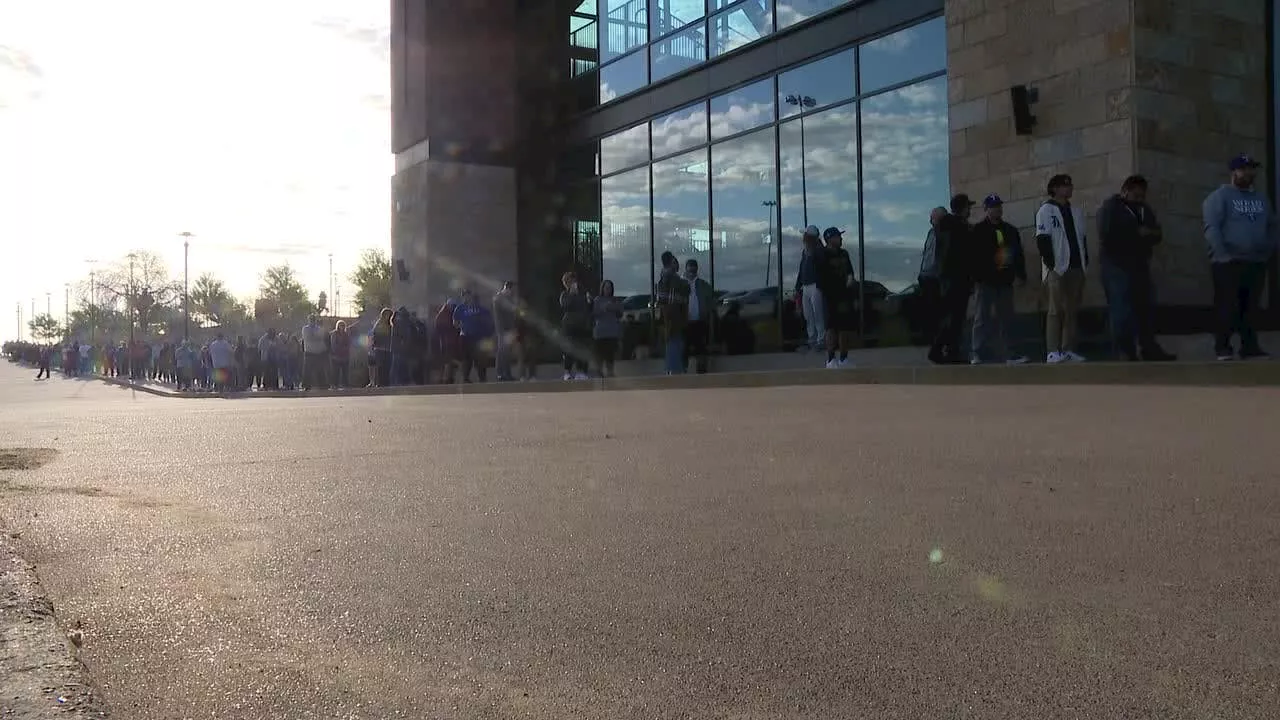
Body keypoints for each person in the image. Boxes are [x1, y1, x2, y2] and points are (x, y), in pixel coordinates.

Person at [1203, 154, 1276, 361]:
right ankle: (1223, 348)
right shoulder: (1219, 197)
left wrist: (1267, 249)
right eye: (1244, 169)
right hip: (1227, 262)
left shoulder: (1261, 200)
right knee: (1227, 305)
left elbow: (1272, 225)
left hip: (1255, 261)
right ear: (1234, 172)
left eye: (1252, 169)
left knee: (1251, 307)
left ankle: (1250, 347)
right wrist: (1223, 254)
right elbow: (1212, 228)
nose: (1249, 173)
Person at [1098, 175, 1176, 362]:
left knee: (1145, 306)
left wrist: (1146, 233)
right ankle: (1124, 350)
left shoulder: (1144, 210)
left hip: (1139, 264)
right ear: (1125, 191)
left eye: (1142, 196)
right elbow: (1106, 234)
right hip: (1117, 265)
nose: (1139, 200)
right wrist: (1137, 233)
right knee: (1121, 308)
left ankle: (1148, 347)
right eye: (1136, 196)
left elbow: (1157, 233)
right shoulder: (1111, 208)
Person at [969, 194, 1028, 365]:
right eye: (993, 207)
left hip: (1005, 280)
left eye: (999, 206)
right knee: (982, 318)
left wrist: (1021, 274)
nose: (997, 210)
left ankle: (1011, 353)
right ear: (986, 209)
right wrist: (976, 278)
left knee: (1008, 318)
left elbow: (1018, 255)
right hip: (985, 281)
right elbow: (972, 258)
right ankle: (978, 353)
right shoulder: (978, 230)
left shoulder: (1010, 230)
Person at [1036, 174, 1089, 363]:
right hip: (1057, 268)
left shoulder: (1076, 211)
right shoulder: (1046, 210)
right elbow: (1042, 239)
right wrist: (1052, 266)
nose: (1070, 188)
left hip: (1076, 266)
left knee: (1072, 310)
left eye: (1070, 184)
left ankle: (1068, 348)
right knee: (1055, 310)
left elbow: (1082, 239)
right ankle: (1052, 350)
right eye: (1065, 186)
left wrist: (1085, 263)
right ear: (1055, 189)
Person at [928, 194, 978, 364]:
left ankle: (948, 351)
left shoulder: (948, 227)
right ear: (963, 208)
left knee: (954, 317)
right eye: (968, 207)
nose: (970, 210)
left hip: (951, 279)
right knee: (954, 317)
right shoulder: (958, 228)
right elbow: (962, 255)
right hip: (956, 279)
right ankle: (943, 350)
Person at [820, 227, 857, 368]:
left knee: (844, 328)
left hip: (844, 296)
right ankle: (830, 359)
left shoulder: (844, 254)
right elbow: (821, 275)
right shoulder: (823, 254)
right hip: (830, 296)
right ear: (830, 239)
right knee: (831, 327)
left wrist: (850, 280)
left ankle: (843, 358)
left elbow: (850, 272)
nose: (840, 239)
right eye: (837, 237)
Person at [655, 251, 691, 375]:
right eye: (674, 262)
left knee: (673, 342)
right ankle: (674, 369)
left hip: (670, 315)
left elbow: (662, 299)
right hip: (673, 315)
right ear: (671, 263)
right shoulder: (673, 279)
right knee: (675, 342)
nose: (677, 265)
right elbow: (681, 296)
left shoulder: (663, 280)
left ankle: (672, 368)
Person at [917, 207, 948, 342]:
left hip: (937, 278)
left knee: (937, 309)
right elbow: (928, 253)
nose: (930, 221)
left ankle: (937, 339)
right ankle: (929, 337)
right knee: (927, 309)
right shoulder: (931, 233)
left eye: (933, 218)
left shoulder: (945, 233)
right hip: (925, 276)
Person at [793, 225, 826, 351]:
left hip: (816, 285)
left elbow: (821, 266)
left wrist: (813, 254)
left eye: (806, 235)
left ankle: (820, 339)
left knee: (818, 313)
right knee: (808, 314)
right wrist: (798, 286)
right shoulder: (805, 251)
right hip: (806, 286)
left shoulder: (818, 250)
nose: (803, 237)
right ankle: (812, 338)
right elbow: (802, 270)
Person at [452, 290, 494, 383]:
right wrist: (462, 327)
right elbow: (455, 322)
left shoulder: (479, 308)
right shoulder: (460, 308)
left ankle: (482, 378)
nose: (467, 297)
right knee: (467, 359)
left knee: (481, 359)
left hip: (479, 337)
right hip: (466, 337)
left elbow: (488, 319)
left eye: (469, 295)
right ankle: (466, 378)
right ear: (463, 297)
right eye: (465, 296)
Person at [559, 272, 591, 381]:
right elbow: (565, 306)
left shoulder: (584, 293)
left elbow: (589, 307)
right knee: (569, 349)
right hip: (569, 326)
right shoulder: (565, 294)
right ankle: (567, 372)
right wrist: (572, 294)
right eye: (566, 282)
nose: (569, 283)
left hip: (582, 325)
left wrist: (589, 300)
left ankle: (582, 371)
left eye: (571, 281)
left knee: (582, 348)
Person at [684, 259, 714, 374]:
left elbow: (710, 303)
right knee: (685, 348)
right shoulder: (682, 285)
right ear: (686, 269)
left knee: (700, 346)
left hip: (700, 321)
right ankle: (684, 370)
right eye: (689, 268)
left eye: (693, 268)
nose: (691, 270)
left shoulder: (703, 285)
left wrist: (707, 316)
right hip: (686, 321)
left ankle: (701, 371)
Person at [592, 280, 623, 378]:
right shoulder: (597, 300)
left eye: (610, 288)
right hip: (600, 331)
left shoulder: (615, 300)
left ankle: (610, 372)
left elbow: (620, 313)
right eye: (606, 287)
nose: (608, 290)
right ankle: (599, 372)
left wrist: (613, 307)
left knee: (610, 353)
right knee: (599, 353)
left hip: (612, 331)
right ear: (602, 288)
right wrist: (604, 308)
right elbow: (594, 314)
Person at [493, 282, 519, 382]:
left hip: (510, 329)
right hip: (502, 330)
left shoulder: (510, 299)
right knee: (502, 352)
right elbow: (498, 317)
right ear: (507, 288)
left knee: (508, 353)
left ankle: (507, 373)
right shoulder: (498, 298)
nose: (513, 292)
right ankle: (500, 374)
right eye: (512, 290)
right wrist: (501, 330)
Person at [300, 314, 330, 390]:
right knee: (307, 370)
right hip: (309, 352)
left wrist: (315, 335)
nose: (312, 321)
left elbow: (322, 336)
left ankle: (323, 385)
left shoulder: (319, 328)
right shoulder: (305, 328)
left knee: (320, 369)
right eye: (311, 319)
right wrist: (316, 335)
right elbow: (308, 337)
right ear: (308, 320)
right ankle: (306, 386)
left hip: (319, 352)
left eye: (313, 319)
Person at [369, 308, 393, 387]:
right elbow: (375, 336)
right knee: (380, 367)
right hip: (380, 348)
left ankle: (385, 383)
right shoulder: (380, 324)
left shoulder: (389, 324)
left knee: (387, 367)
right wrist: (374, 346)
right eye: (388, 315)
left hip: (387, 348)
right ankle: (379, 383)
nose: (389, 317)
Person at [329, 320, 353, 388]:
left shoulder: (346, 334)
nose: (341, 327)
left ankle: (345, 384)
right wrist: (338, 350)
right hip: (336, 356)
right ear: (338, 326)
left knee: (345, 371)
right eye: (340, 325)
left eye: (343, 325)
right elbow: (333, 344)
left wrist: (346, 349)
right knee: (335, 371)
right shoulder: (334, 334)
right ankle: (334, 384)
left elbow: (349, 344)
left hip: (345, 356)